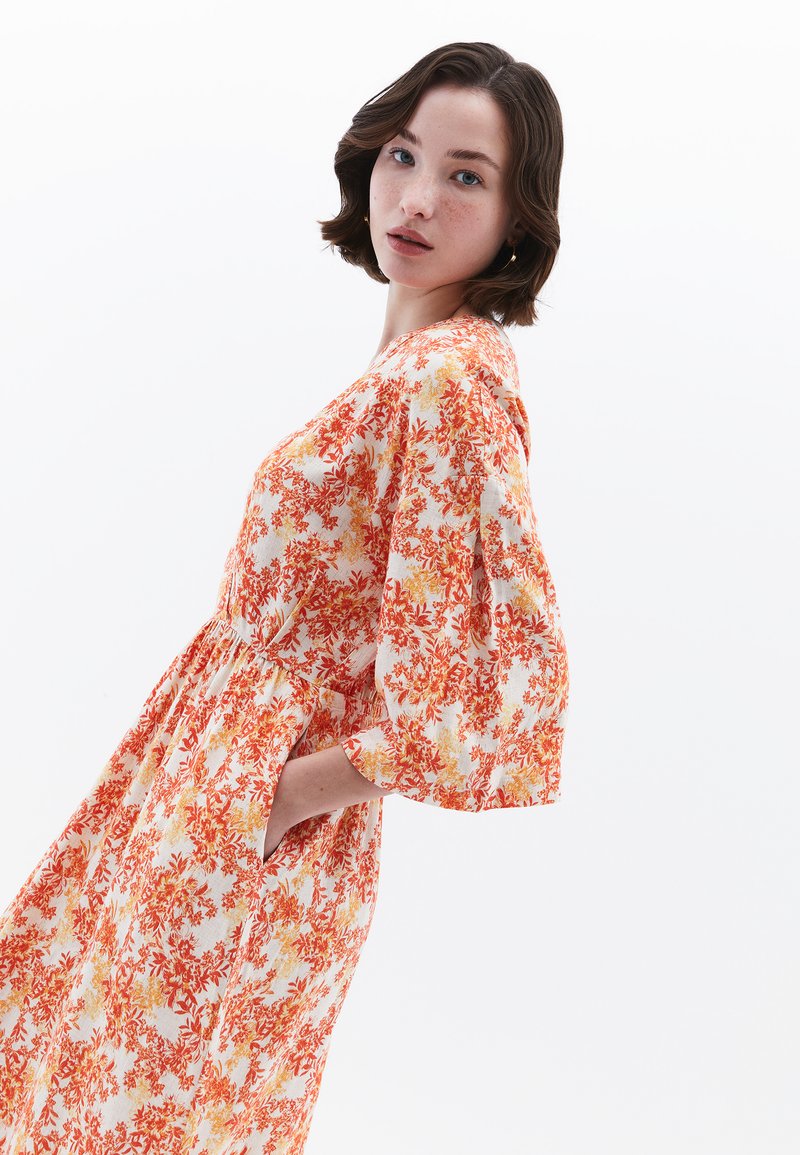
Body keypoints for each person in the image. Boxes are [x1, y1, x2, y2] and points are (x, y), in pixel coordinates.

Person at [0, 40, 570, 1154]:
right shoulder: (410, 366)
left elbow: (480, 679)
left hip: (250, 798)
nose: (416, 196)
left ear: (518, 217)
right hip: (206, 769)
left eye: (465, 175)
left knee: (149, 1112)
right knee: (108, 1083)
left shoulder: (449, 381)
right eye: (403, 155)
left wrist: (278, 796)